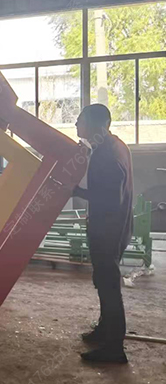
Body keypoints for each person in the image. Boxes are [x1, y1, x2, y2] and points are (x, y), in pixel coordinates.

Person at [73, 104, 133, 363]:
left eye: (79, 120)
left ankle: (114, 348)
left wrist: (76, 191)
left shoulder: (106, 153)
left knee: (109, 286)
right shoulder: (114, 146)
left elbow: (110, 198)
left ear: (95, 124)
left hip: (107, 230)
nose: (76, 125)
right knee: (103, 281)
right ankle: (104, 330)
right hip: (113, 227)